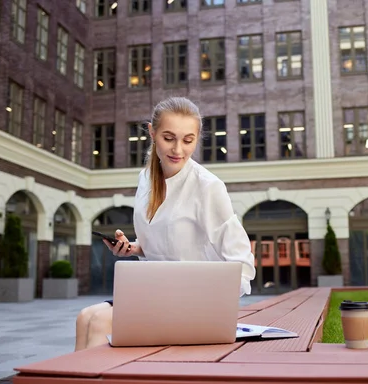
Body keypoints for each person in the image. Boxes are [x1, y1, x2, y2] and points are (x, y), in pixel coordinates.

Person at [74, 97, 256, 351]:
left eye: (188, 140)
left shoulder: (208, 187)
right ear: (152, 132)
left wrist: (212, 302)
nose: (178, 149)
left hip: (193, 304)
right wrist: (136, 248)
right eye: (169, 138)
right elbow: (166, 245)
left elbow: (244, 265)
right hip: (156, 294)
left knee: (99, 322)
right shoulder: (146, 178)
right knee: (85, 317)